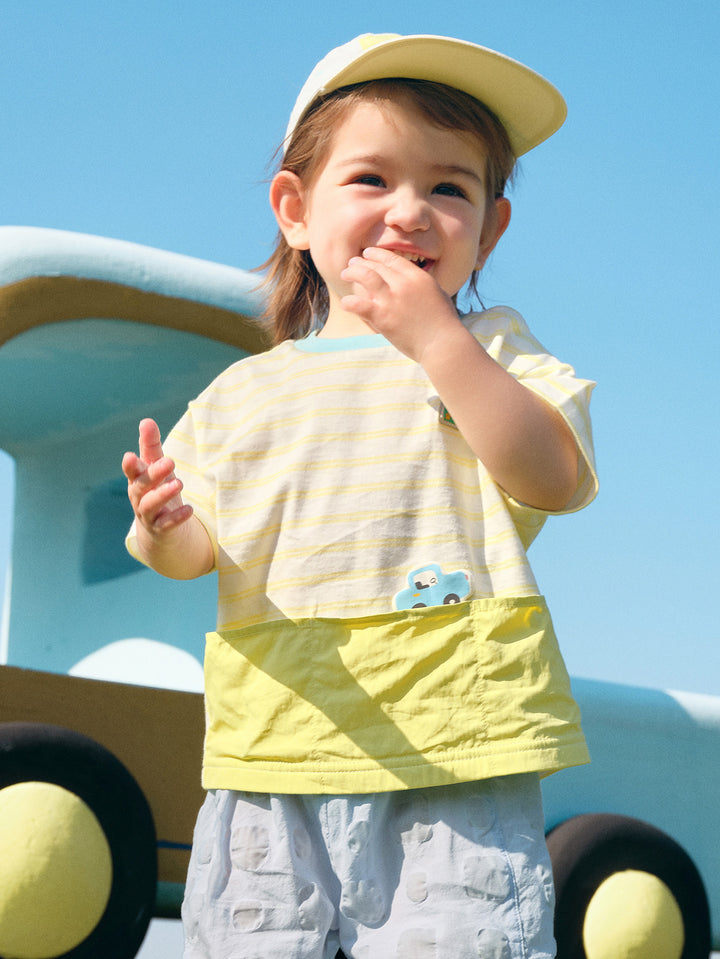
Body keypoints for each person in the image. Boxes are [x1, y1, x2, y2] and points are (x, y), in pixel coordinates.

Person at [123, 32, 598, 959]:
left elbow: (550, 473)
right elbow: (188, 557)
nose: (411, 212)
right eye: (372, 180)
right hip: (273, 758)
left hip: (456, 754)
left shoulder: (494, 353)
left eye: (450, 188)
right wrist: (164, 522)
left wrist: (438, 341)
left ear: (491, 230)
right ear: (296, 211)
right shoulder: (244, 393)